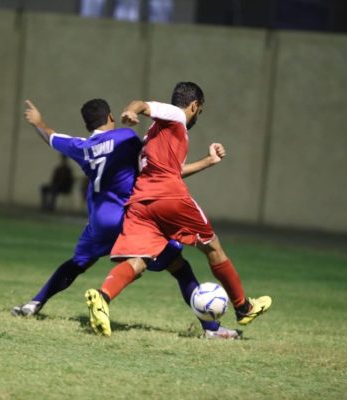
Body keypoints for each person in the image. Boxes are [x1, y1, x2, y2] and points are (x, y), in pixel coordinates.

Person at [12, 98, 242, 339]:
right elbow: (160, 169)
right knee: (179, 267)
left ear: (88, 125)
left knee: (77, 264)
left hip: (98, 223)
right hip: (128, 218)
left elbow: (51, 136)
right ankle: (212, 330)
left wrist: (38, 122)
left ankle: (34, 303)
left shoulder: (81, 147)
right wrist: (207, 161)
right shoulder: (126, 138)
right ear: (111, 117)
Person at [85, 82, 272, 337]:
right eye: (199, 111)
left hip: (141, 202)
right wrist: (131, 111)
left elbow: (173, 170)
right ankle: (243, 307)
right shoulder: (176, 115)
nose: (197, 117)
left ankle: (103, 297)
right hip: (169, 196)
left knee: (138, 261)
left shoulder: (154, 135)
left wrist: (208, 161)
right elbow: (142, 104)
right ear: (194, 105)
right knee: (213, 247)